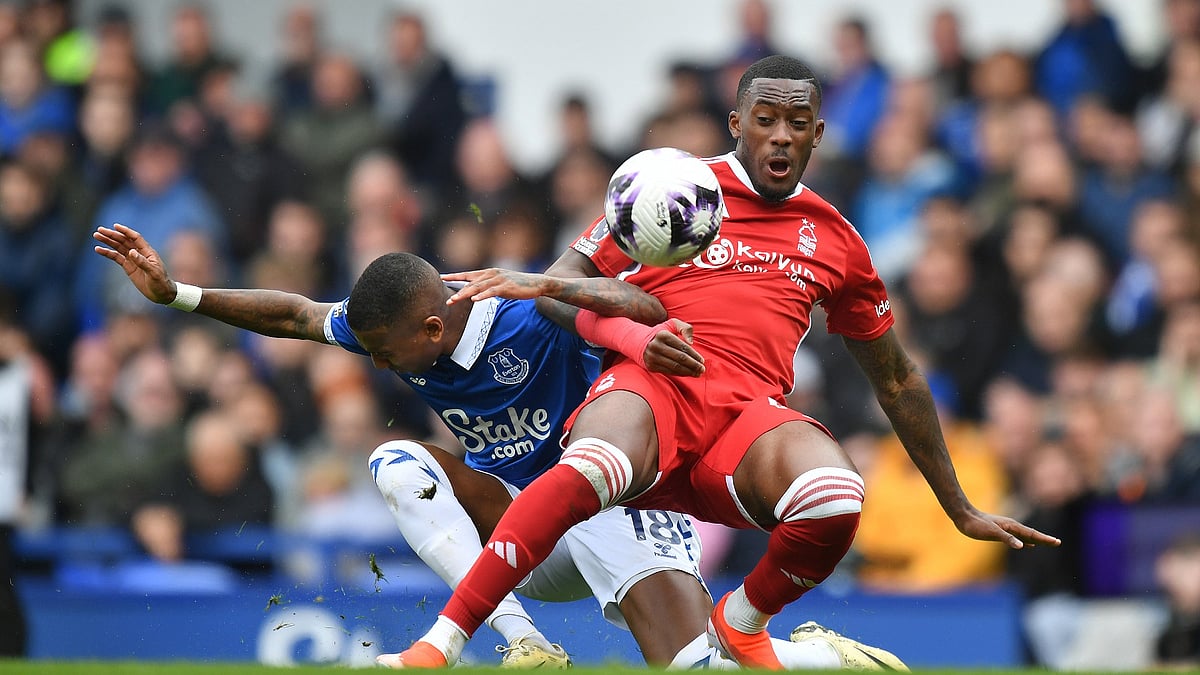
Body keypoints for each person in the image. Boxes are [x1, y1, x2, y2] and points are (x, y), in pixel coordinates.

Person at [394, 54, 1061, 670]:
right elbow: (558, 288)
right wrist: (612, 317)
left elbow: (895, 375)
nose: (779, 136)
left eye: (796, 123)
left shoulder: (835, 238)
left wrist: (958, 504)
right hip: (651, 384)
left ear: (817, 134)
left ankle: (742, 620)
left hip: (744, 421)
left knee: (836, 497)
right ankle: (442, 642)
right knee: (589, 467)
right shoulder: (670, 187)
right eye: (764, 120)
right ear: (738, 122)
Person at [92, 223, 876, 670]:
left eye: (388, 352)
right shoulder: (392, 329)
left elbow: (620, 308)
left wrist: (610, 314)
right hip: (518, 527)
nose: (378, 364)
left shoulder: (532, 319)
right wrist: (179, 296)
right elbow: (298, 314)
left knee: (693, 667)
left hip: (612, 499)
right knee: (396, 462)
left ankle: (818, 655)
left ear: (432, 329)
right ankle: (525, 644)